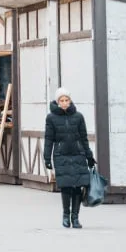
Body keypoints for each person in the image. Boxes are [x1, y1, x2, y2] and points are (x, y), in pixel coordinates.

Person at [44, 87, 95, 229]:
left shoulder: (78, 117)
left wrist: (89, 155)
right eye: (62, 100)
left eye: (67, 100)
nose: (65, 103)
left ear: (70, 101)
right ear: (57, 101)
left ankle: (76, 217)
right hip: (61, 155)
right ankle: (66, 215)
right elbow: (48, 139)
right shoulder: (51, 118)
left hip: (78, 155)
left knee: (78, 187)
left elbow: (84, 138)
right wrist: (46, 158)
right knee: (66, 187)